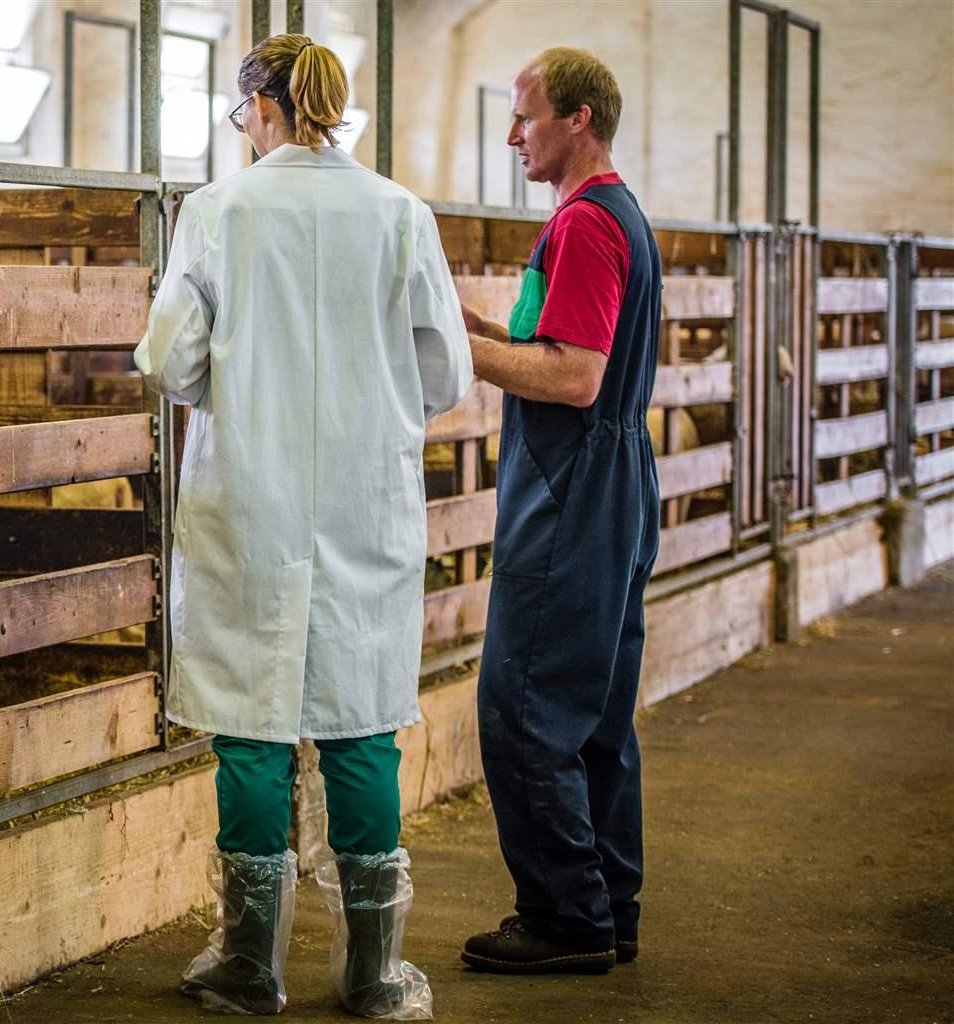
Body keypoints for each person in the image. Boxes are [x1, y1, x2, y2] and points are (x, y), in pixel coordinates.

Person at [135, 32, 471, 1019]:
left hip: (250, 492)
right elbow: (444, 372)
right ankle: (370, 972)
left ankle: (250, 965)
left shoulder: (216, 211)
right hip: (364, 499)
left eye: (242, 111)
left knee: (249, 726)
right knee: (361, 725)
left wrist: (230, 381)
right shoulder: (398, 213)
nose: (241, 127)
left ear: (261, 106)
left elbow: (167, 361)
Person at [457, 47, 661, 975]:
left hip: (572, 483)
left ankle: (564, 919)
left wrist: (464, 360)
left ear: (578, 118)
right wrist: (479, 332)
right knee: (596, 712)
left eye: (525, 117)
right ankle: (609, 906)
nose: (513, 136)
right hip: (614, 478)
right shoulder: (619, 216)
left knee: (525, 705)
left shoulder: (585, 225)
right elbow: (564, 349)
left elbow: (573, 377)